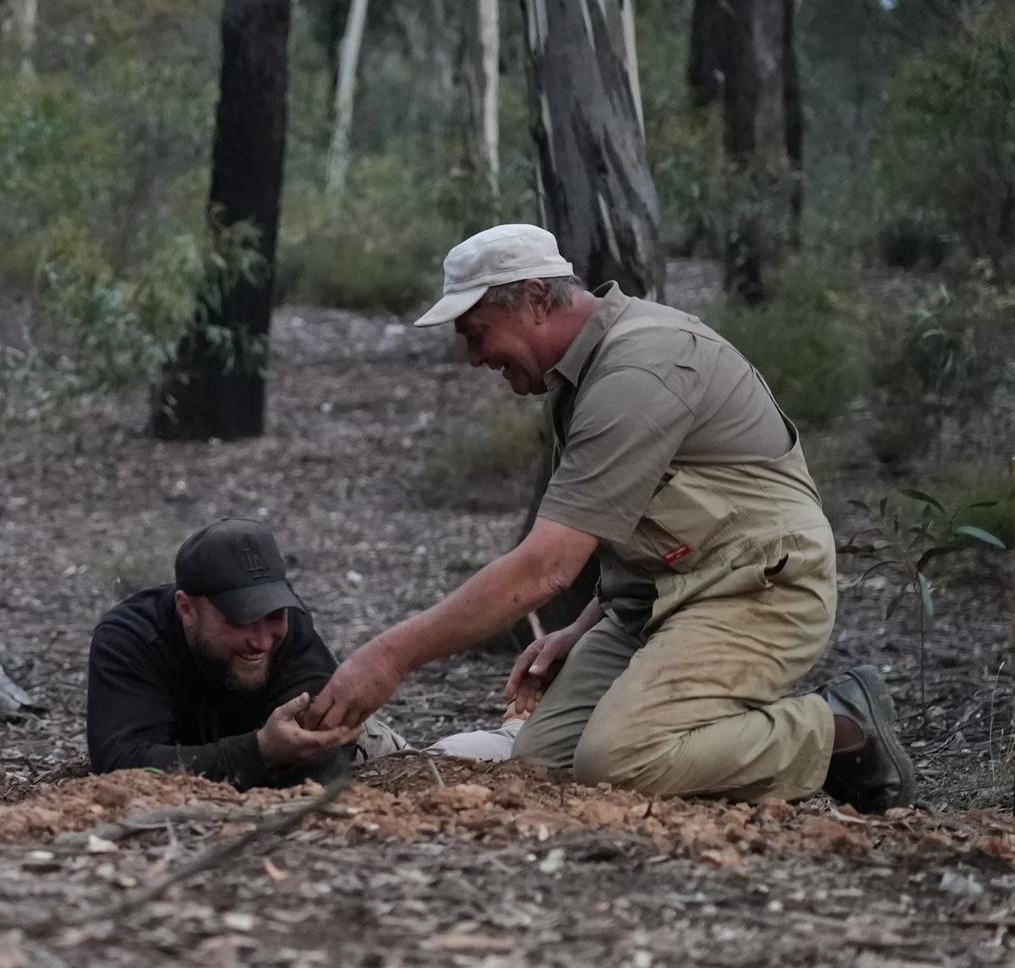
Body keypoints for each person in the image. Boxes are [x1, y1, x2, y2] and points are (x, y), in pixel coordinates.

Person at [305, 223, 913, 813]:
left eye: (478, 332)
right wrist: (583, 627)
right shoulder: (584, 373)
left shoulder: (638, 371)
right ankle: (696, 727)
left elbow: (545, 568)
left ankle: (839, 727)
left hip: (759, 588)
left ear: (537, 299)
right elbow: (646, 531)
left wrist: (388, 656)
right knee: (545, 767)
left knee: (621, 761)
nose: (473, 357)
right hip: (661, 597)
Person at [86, 520, 371, 789]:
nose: (262, 642)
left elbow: (322, 748)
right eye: (240, 619)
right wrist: (259, 751)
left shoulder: (289, 626)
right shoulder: (131, 638)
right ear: (186, 609)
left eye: (273, 615)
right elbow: (122, 767)